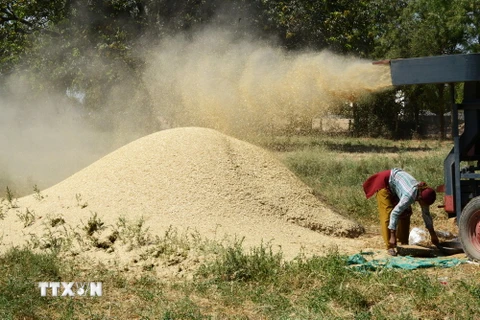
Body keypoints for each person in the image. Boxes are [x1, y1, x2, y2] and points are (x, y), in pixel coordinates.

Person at [362, 168, 439, 256]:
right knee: (387, 214)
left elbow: (426, 215)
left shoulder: (424, 194)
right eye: (424, 204)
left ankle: (404, 244)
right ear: (419, 198)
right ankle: (390, 246)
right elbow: (395, 213)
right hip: (385, 183)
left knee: (406, 213)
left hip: (396, 184)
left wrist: (433, 235)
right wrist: (392, 235)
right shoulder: (409, 195)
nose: (424, 206)